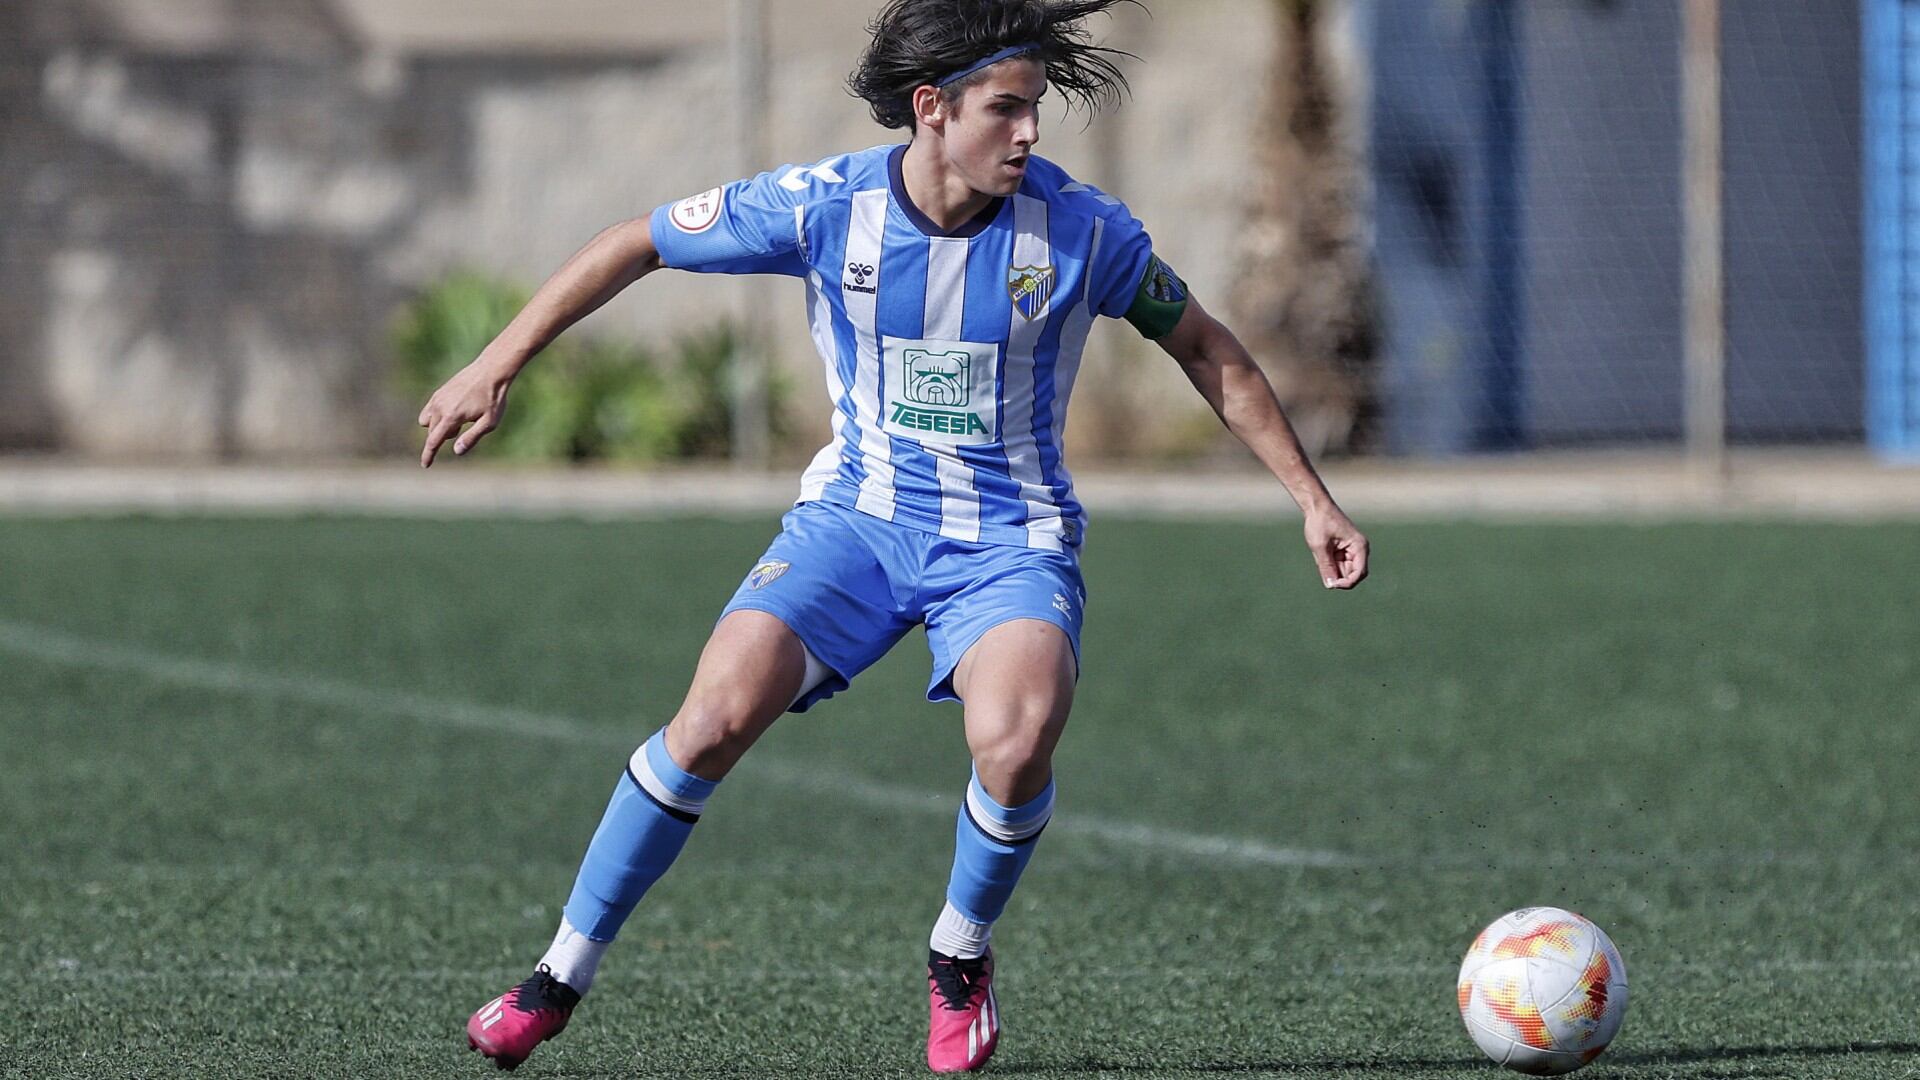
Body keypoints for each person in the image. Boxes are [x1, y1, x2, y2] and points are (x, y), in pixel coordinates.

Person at [421, 0, 1369, 1071]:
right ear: (932, 109)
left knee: (1014, 742)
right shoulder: (823, 206)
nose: (1029, 133)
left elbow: (1207, 347)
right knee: (712, 720)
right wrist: (496, 359)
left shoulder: (1085, 233)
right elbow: (637, 242)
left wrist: (1311, 498)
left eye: (1035, 111)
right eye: (1005, 110)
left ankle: (959, 957)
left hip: (1009, 539)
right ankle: (558, 974)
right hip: (856, 525)